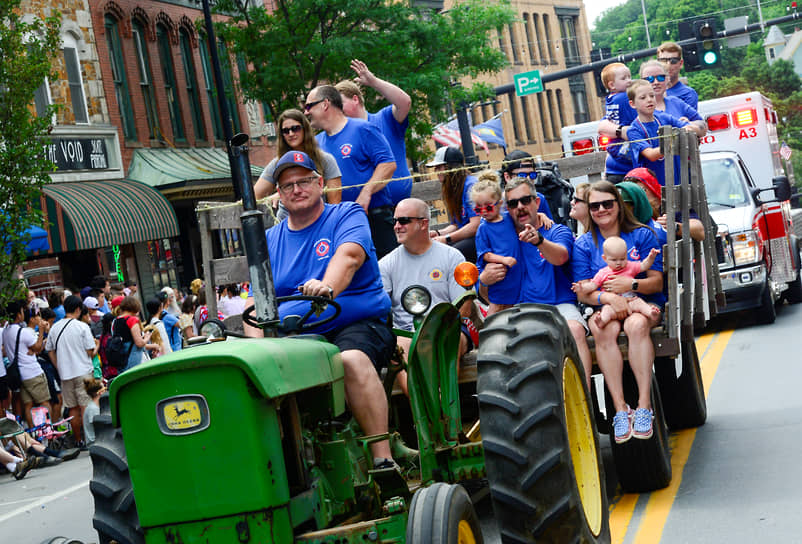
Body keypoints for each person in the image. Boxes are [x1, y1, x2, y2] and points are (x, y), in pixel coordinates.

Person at [256, 150, 397, 470]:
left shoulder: (346, 215)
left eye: (304, 180)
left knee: (349, 359)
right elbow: (257, 301)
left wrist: (327, 287)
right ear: (278, 194)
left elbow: (348, 258)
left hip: (356, 324)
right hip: (296, 336)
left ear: (320, 183)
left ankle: (383, 459)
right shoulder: (270, 239)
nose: (296, 189)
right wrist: (254, 347)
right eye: (287, 185)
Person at [478, 177, 594, 387]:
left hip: (560, 306)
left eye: (525, 200)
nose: (520, 207)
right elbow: (487, 295)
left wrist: (539, 240)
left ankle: (585, 401)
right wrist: (484, 280)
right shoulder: (500, 236)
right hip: (522, 311)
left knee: (575, 330)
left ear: (537, 202)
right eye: (513, 203)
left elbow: (560, 257)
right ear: (507, 208)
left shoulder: (557, 231)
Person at [572, 181, 664, 443]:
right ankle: (621, 409)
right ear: (588, 210)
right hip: (605, 307)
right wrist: (609, 296)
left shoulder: (641, 235)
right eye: (594, 205)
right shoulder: (584, 245)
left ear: (618, 205)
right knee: (601, 329)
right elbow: (582, 290)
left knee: (636, 326)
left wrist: (630, 284)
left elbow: (656, 282)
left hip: (640, 300)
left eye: (607, 203)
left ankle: (644, 405)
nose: (601, 209)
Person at [379, 198, 474, 395]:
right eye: (394, 221)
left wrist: (445, 328)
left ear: (424, 223)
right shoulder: (386, 264)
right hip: (406, 332)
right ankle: (425, 415)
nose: (397, 226)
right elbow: (381, 308)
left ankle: (447, 410)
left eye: (404, 220)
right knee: (397, 350)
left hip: (447, 327)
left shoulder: (451, 256)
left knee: (448, 343)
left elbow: (464, 306)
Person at [306, 84, 398, 258]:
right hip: (342, 224)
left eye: (309, 106)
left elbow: (388, 165)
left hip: (375, 218)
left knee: (388, 273)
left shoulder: (363, 129)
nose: (306, 112)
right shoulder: (316, 143)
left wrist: (366, 193)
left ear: (325, 104)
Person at [337, 59, 412, 205]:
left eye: (341, 104)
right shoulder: (340, 137)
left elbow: (405, 102)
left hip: (399, 210)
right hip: (364, 211)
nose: (338, 111)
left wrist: (373, 81)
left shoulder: (385, 118)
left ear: (355, 99)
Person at [253, 108, 342, 213]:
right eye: (285, 131)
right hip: (288, 223)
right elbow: (255, 196)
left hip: (320, 221)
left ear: (305, 129)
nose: (291, 134)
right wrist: (281, 193)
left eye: (295, 128)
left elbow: (335, 202)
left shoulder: (325, 160)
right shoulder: (277, 163)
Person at [626, 79, 701, 187]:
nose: (649, 100)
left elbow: (691, 128)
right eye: (643, 98)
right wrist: (676, 139)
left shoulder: (663, 117)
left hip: (679, 183)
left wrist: (690, 127)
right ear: (632, 104)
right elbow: (651, 154)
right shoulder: (634, 130)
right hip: (653, 189)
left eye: (652, 96)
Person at [573, 236, 661, 327]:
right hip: (613, 305)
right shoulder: (603, 273)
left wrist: (651, 257)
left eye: (622, 259)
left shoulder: (629, 266)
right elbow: (592, 286)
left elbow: (644, 266)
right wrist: (581, 288)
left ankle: (651, 313)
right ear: (605, 258)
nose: (619, 262)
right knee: (606, 310)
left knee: (639, 303)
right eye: (614, 260)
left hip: (631, 301)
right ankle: (602, 321)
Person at [45, 295, 96, 449]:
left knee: (72, 408)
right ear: (78, 309)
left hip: (65, 374)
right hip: (84, 372)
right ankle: (90, 439)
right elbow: (90, 352)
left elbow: (49, 350)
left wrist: (58, 366)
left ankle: (79, 440)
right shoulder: (82, 327)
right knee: (86, 406)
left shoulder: (55, 327)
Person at [471, 172, 522, 315]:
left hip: (515, 276)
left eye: (487, 207)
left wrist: (541, 216)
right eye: (478, 208)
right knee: (497, 312)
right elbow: (485, 254)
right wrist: (503, 259)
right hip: (500, 278)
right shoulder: (483, 228)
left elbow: (524, 220)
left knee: (516, 311)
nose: (483, 212)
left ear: (500, 203)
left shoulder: (509, 219)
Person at [623, 167, 706, 243]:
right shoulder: (627, 213)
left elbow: (699, 231)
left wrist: (675, 226)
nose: (636, 196)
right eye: (631, 193)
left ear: (653, 188)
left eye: (642, 190)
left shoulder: (672, 205)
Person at [425, 146, 479, 262]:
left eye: (439, 167)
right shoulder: (455, 189)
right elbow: (456, 225)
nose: (436, 171)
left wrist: (446, 239)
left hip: (481, 237)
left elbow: (476, 225)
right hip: (467, 237)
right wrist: (438, 233)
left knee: (447, 255)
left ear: (450, 167)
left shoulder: (471, 186)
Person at [3, 301, 51, 427]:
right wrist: (41, 331)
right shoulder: (22, 332)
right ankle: (47, 431)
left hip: (20, 375)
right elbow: (38, 348)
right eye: (22, 311)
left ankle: (34, 432)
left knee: (28, 405)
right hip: (32, 373)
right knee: (44, 403)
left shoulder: (5, 331)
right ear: (18, 315)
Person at [639, 60, 706, 134]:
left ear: (667, 79)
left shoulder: (675, 102)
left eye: (660, 77)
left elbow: (703, 124)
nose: (656, 82)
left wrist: (690, 126)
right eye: (649, 79)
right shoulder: (637, 108)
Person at [598, 62, 636, 183]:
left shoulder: (610, 98)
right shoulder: (624, 98)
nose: (629, 81)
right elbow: (636, 119)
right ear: (612, 85)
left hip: (614, 146)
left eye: (629, 77)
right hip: (625, 145)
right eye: (624, 78)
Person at [499, 150, 555, 219]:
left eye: (532, 175)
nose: (528, 179)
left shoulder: (539, 199)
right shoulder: (496, 205)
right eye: (522, 175)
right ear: (507, 177)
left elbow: (551, 227)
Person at [114, 296, 156, 371]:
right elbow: (139, 343)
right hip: (134, 357)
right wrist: (147, 338)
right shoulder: (132, 320)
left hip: (121, 357)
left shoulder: (117, 320)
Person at [656, 42, 699, 109]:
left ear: (681, 63)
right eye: (663, 60)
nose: (668, 65)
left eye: (673, 61)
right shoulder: (648, 93)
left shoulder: (688, 94)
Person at [82, 377, 105, 445]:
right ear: (100, 392)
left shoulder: (96, 406)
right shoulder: (93, 409)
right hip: (95, 443)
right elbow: (100, 428)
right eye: (104, 389)